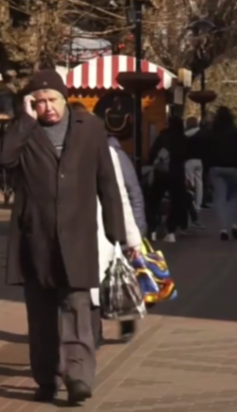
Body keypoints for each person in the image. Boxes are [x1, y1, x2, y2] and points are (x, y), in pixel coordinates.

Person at [0, 70, 125, 405]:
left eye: (51, 99)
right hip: (34, 237)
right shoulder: (25, 131)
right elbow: (4, 158)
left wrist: (117, 232)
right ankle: (46, 379)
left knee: (78, 308)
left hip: (78, 235)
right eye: (38, 102)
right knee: (40, 317)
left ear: (64, 97)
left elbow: (107, 182)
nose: (47, 107)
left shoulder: (90, 128)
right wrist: (24, 121)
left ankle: (79, 377)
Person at [92, 134, 145, 348]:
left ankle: (127, 320)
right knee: (95, 284)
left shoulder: (114, 154)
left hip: (116, 230)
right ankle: (93, 332)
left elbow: (131, 193)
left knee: (120, 279)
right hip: (96, 233)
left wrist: (135, 234)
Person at [146, 116, 189, 243]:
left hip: (161, 173)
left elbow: (152, 153)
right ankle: (171, 232)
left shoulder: (162, 137)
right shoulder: (184, 139)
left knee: (154, 201)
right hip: (177, 174)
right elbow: (187, 155)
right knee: (176, 202)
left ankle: (152, 230)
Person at [207, 106, 237, 241]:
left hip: (216, 168)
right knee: (234, 198)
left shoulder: (212, 132)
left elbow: (206, 151)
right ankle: (234, 225)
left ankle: (223, 229)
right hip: (233, 168)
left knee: (220, 198)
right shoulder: (236, 132)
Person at [184, 116, 208, 228]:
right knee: (199, 183)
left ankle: (191, 203)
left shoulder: (187, 135)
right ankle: (198, 205)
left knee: (190, 183)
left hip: (189, 160)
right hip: (200, 160)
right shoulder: (203, 134)